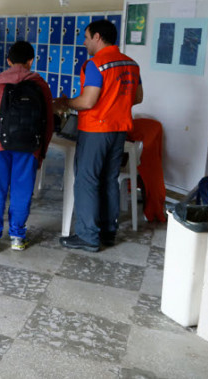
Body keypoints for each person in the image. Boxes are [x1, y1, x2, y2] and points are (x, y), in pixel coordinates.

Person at [55, 19, 143, 252]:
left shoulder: (96, 64)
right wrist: (115, 103)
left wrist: (65, 103)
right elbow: (137, 97)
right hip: (119, 129)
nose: (84, 42)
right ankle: (108, 232)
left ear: (97, 37)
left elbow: (87, 101)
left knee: (87, 180)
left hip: (96, 130)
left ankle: (87, 236)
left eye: (86, 37)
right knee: (109, 179)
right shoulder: (132, 64)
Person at [0, 41, 54, 252]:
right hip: (29, 146)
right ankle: (17, 237)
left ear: (9, 61)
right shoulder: (40, 84)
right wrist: (42, 151)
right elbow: (48, 121)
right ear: (31, 61)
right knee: (22, 191)